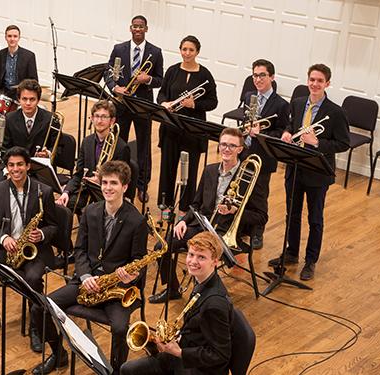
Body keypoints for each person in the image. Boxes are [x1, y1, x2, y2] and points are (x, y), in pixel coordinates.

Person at [31, 160, 147, 374]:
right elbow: (80, 250)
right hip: (87, 281)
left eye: (114, 183)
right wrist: (85, 276)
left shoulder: (137, 221)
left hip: (116, 289)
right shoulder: (91, 211)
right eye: (104, 182)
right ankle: (58, 354)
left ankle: (115, 370)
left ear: (125, 187)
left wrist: (131, 275)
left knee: (121, 328)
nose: (108, 188)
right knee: (40, 307)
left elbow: (139, 260)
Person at [149, 128, 267, 303]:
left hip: (225, 233)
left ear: (240, 149)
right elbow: (196, 204)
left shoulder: (251, 177)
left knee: (202, 256)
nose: (227, 149)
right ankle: (173, 289)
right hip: (201, 226)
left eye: (232, 146)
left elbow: (261, 217)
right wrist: (183, 221)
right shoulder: (210, 171)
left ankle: (206, 297)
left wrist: (236, 212)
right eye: (224, 144)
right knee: (162, 247)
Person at [0, 147, 58, 349]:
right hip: (5, 247)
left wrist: (42, 234)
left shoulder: (43, 191)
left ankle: (37, 326)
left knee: (33, 279)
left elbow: (54, 226)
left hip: (33, 248)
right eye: (11, 165)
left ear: (28, 166)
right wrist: (4, 238)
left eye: (20, 164)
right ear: (6, 168)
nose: (16, 169)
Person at [269, 63, 350, 281]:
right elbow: (291, 125)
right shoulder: (296, 104)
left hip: (317, 173)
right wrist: (287, 133)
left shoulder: (335, 112)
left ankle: (310, 260)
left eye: (320, 81)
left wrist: (317, 143)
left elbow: (343, 143)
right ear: (307, 81)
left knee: (315, 218)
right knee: (292, 214)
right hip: (294, 168)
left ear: (327, 84)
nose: (315, 84)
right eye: (312, 80)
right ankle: (292, 252)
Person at [121, 231, 234, 375]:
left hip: (199, 368)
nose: (193, 261)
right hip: (187, 351)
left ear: (215, 261)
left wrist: (179, 352)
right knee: (127, 369)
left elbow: (221, 355)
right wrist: (176, 338)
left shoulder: (214, 304)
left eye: (201, 257)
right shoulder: (201, 280)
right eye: (191, 254)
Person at [105, 15, 164, 203]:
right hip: (122, 103)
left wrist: (147, 80)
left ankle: (142, 186)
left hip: (142, 105)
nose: (137, 29)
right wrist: (115, 87)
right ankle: (119, 182)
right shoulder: (118, 49)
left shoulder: (155, 52)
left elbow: (160, 80)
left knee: (144, 146)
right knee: (119, 144)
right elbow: (109, 72)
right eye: (134, 26)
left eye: (141, 27)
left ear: (146, 29)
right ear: (130, 29)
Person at [157, 35, 218, 215]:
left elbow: (213, 102)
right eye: (184, 49)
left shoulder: (205, 74)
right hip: (171, 127)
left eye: (191, 50)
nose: (187, 53)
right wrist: (164, 104)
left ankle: (185, 210)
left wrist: (195, 105)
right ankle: (165, 207)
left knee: (189, 173)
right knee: (167, 169)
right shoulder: (172, 71)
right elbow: (161, 94)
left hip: (192, 132)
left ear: (197, 52)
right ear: (180, 50)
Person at [239, 59, 289, 249]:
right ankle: (243, 227)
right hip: (245, 151)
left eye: (262, 75)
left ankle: (257, 232)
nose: (258, 79)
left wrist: (262, 133)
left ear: (272, 77)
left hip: (264, 155)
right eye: (255, 75)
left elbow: (282, 132)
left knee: (259, 195)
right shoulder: (249, 96)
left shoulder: (281, 104)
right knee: (242, 191)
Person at [56, 100, 131, 213]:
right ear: (91, 118)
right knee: (62, 206)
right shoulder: (86, 142)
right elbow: (78, 174)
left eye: (104, 117)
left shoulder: (121, 147)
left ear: (112, 121)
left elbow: (122, 181)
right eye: (96, 116)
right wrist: (66, 192)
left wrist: (101, 180)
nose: (99, 121)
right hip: (87, 190)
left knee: (90, 212)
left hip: (107, 194)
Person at [2, 79, 55, 157]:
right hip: (17, 165)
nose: (28, 103)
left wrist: (48, 153)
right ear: (19, 99)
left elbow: (59, 148)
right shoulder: (10, 118)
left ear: (38, 100)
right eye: (24, 99)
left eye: (32, 99)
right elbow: (5, 148)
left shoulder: (50, 119)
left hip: (41, 165)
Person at [0, 24, 38, 99]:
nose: (12, 39)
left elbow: (34, 81)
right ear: (5, 38)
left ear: (19, 38)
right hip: (3, 90)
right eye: (9, 36)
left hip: (20, 92)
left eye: (15, 36)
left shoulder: (29, 56)